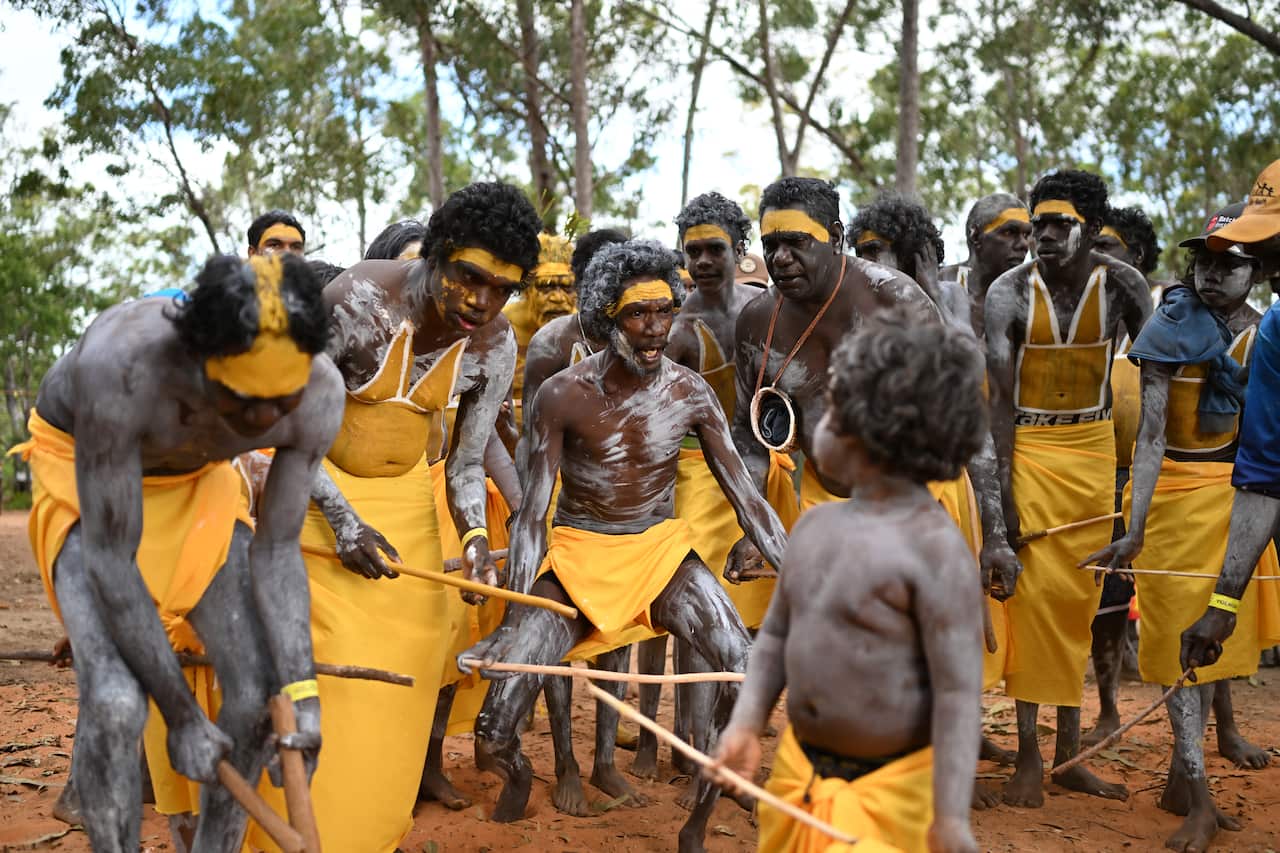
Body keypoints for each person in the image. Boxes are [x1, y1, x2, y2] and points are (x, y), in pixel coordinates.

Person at [459, 240, 788, 852]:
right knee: (494, 726)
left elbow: (748, 497)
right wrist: (512, 621)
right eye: (639, 315)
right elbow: (532, 517)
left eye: (666, 311)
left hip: (660, 553)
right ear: (607, 317)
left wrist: (798, 579)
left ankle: (698, 820)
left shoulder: (689, 392)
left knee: (741, 672)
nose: (656, 329)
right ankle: (519, 780)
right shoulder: (561, 395)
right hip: (580, 554)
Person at [9, 254, 342, 851]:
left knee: (257, 698)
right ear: (199, 361)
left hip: (197, 488)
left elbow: (277, 549)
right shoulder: (123, 364)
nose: (264, 420)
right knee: (114, 703)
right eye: (243, 400)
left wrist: (303, 695)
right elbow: (112, 561)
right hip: (87, 484)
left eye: (280, 402)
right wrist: (184, 716)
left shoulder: (319, 394)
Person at [281, 181, 541, 852]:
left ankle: (374, 827)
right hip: (318, 502)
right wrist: (342, 522)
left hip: (408, 516)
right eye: (470, 278)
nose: (483, 301)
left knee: (415, 667)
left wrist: (479, 537)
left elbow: (464, 463)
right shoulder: (358, 301)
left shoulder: (494, 343)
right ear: (437, 254)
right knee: (331, 675)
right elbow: (288, 430)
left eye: (503, 289)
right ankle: (311, 829)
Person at [714, 309, 987, 853]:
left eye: (831, 413)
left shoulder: (937, 553)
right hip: (801, 777)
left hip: (891, 794)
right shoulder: (814, 527)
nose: (817, 427)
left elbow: (958, 695)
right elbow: (773, 641)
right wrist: (746, 725)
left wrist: (952, 817)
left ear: (876, 433)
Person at [1086, 214, 1279, 852]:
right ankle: (1197, 794)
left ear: (1258, 272)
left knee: (1219, 635)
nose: (1211, 274)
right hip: (1170, 498)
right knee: (1176, 648)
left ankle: (1181, 775)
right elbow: (1149, 438)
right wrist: (1135, 529)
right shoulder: (1170, 326)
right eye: (1204, 262)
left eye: (1230, 263)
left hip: (1236, 498)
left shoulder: (1265, 335)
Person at [984, 169, 1152, 807]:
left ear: (1089, 228)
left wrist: (1138, 483)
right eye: (1039, 225)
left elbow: (1153, 379)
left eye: (1060, 225)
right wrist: (1001, 499)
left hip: (1092, 454)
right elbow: (998, 407)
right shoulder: (1008, 293)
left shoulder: (1124, 287)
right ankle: (1029, 754)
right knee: (1032, 606)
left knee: (1080, 606)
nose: (1045, 237)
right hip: (1029, 451)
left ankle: (1069, 755)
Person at [729, 177, 933, 540]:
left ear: (836, 237)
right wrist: (754, 530)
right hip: (824, 509)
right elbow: (746, 433)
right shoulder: (757, 322)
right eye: (770, 245)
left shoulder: (894, 300)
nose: (780, 258)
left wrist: (994, 534)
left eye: (796, 242)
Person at [1085, 203, 1165, 744]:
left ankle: (1212, 727)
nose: (1093, 259)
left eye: (1106, 248)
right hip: (1086, 479)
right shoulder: (1077, 320)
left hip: (1152, 485)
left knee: (1150, 603)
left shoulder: (1163, 327)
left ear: (1134, 258)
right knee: (1093, 602)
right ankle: (1096, 707)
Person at [848, 191, 965, 318]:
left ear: (907, 255)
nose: (862, 262)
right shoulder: (861, 303)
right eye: (859, 253)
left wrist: (933, 294)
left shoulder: (952, 292)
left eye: (874, 250)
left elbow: (964, 337)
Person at [504, 233, 579, 428]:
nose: (558, 298)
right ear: (528, 291)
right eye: (546, 287)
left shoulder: (584, 329)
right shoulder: (502, 325)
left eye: (567, 288)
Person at [940, 193, 1032, 334]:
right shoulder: (939, 285)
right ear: (976, 236)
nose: (1024, 244)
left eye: (1026, 235)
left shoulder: (1029, 297)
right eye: (1009, 232)